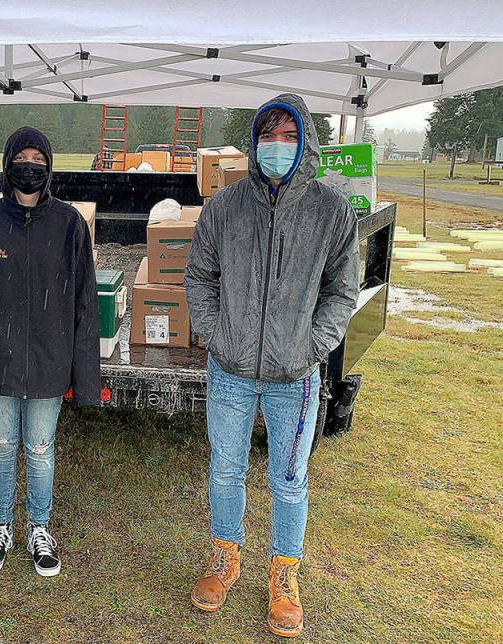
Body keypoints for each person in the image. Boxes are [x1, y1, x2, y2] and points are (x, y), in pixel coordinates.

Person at [184, 93, 359, 637]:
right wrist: (217, 337)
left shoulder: (331, 211)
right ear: (254, 142)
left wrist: (311, 348)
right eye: (268, 135)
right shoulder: (225, 207)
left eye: (289, 136)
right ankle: (224, 557)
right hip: (230, 371)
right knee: (225, 470)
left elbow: (341, 292)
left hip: (295, 376)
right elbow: (199, 278)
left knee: (289, 480)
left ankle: (284, 574)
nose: (277, 146)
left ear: (305, 142)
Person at [0, 126, 100, 578]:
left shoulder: (70, 223)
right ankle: (1, 526)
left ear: (49, 166)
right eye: (22, 157)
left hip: (50, 361)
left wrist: (84, 375)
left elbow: (85, 302)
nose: (30, 165)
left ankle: (39, 527)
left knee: (39, 447)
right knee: (1, 445)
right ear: (8, 163)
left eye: (38, 157)